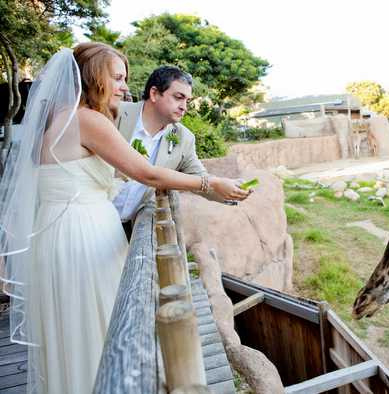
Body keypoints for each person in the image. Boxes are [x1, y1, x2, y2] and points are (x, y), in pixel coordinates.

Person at [0, 42, 250, 393]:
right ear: (92, 77)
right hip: (84, 237)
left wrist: (225, 191)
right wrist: (212, 180)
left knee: (74, 331)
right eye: (117, 77)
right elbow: (147, 174)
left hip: (56, 235)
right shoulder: (90, 119)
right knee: (102, 328)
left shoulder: (55, 120)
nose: (123, 86)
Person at [113, 66, 243, 239]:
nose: (184, 107)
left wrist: (232, 191)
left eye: (187, 101)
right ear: (154, 94)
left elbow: (200, 176)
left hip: (128, 229)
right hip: (88, 215)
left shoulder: (184, 138)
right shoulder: (114, 114)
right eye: (178, 97)